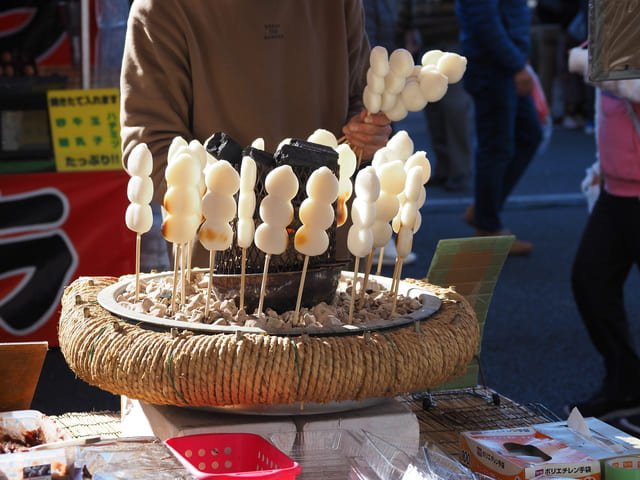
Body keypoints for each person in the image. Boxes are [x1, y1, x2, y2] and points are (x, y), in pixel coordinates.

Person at [120, 0, 392, 267]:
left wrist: (366, 137)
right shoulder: (163, 8)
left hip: (329, 252)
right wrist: (257, 204)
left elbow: (361, 100)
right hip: (219, 261)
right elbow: (152, 147)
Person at [567, 45, 640, 420]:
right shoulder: (616, 21)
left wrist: (597, 66)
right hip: (618, 188)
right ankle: (626, 382)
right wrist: (603, 163)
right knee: (591, 280)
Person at [456, 0, 543, 255]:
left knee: (528, 136)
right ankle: (487, 226)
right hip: (493, 67)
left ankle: (485, 210)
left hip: (505, 63)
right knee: (496, 147)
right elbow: (484, 22)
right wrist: (516, 64)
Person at [397, 0, 474, 193]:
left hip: (453, 39)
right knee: (434, 108)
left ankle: (460, 171)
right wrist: (406, 26)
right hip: (428, 40)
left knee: (454, 108)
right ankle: (445, 166)